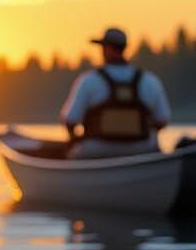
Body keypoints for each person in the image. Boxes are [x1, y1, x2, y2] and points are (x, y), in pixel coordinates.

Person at [60, 27, 170, 159]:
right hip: (142, 150)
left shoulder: (89, 80)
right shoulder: (150, 81)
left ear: (107, 49)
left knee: (71, 154)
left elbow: (70, 120)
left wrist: (73, 140)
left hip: (96, 151)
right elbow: (162, 120)